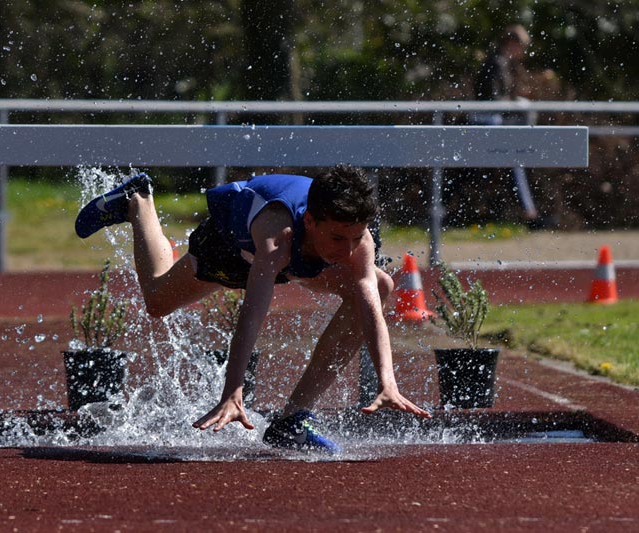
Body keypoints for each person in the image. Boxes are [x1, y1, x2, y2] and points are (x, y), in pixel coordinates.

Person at [75, 165, 430, 454]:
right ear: (310, 222)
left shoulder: (356, 242)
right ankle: (138, 200)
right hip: (232, 249)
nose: (349, 250)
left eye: (356, 238)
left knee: (378, 284)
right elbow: (254, 312)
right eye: (338, 238)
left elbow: (370, 305)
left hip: (294, 258)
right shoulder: (278, 232)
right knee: (157, 300)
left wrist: (387, 381)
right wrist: (232, 389)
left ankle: (292, 419)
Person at [472, 24, 546, 226]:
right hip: (487, 123)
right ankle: (528, 211)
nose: (523, 52)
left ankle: (528, 210)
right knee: (515, 159)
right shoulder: (496, 63)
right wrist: (516, 104)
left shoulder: (501, 62)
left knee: (516, 159)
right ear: (512, 43)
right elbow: (491, 99)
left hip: (492, 121)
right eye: (522, 47)